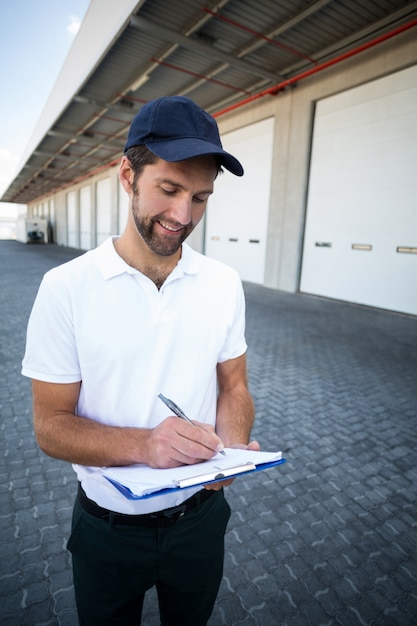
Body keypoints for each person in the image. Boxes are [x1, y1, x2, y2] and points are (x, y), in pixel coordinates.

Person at [22, 95, 259, 626]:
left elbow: (234, 387)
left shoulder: (223, 284)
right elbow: (49, 427)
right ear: (128, 175)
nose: (183, 215)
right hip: (108, 530)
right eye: (169, 190)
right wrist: (146, 445)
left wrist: (234, 447)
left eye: (200, 197)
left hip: (201, 522)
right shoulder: (65, 288)